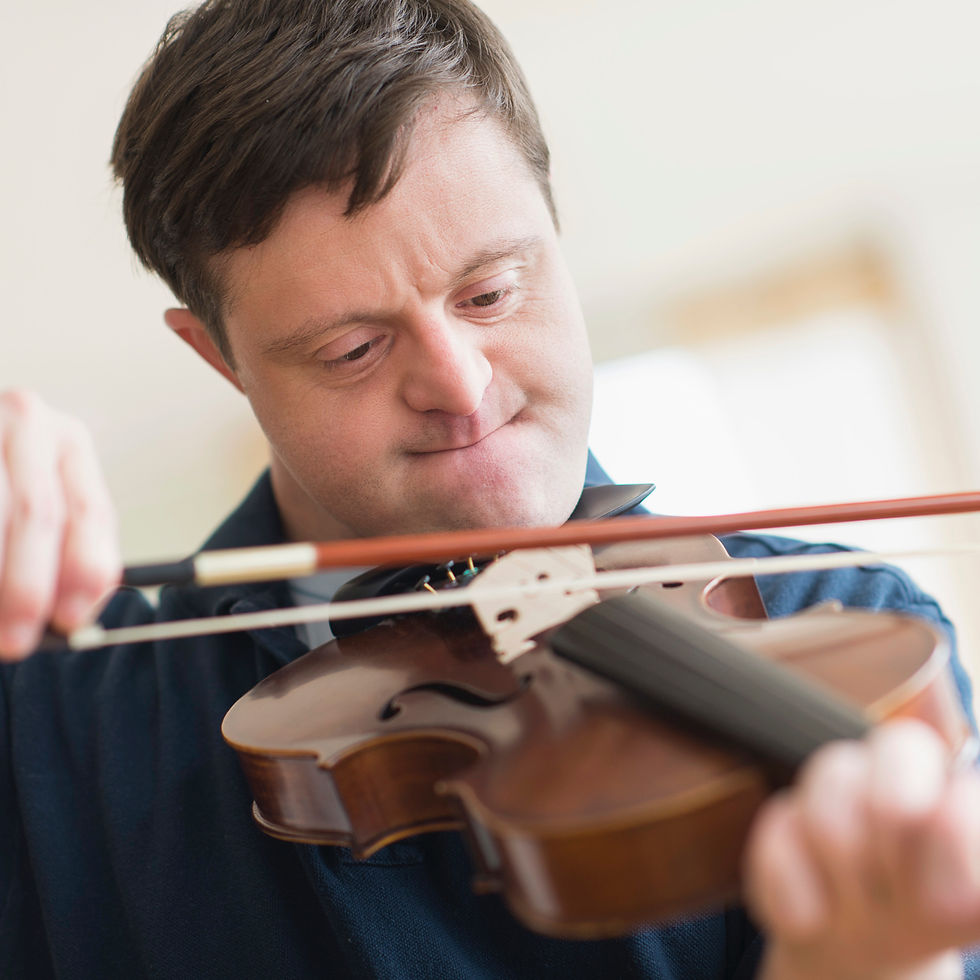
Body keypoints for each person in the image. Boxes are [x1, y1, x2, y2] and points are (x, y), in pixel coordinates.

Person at [1, 0, 980, 976]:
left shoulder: (835, 628)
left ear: (553, 224)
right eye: (352, 349)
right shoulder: (55, 721)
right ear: (220, 358)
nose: (461, 389)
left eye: (490, 293)